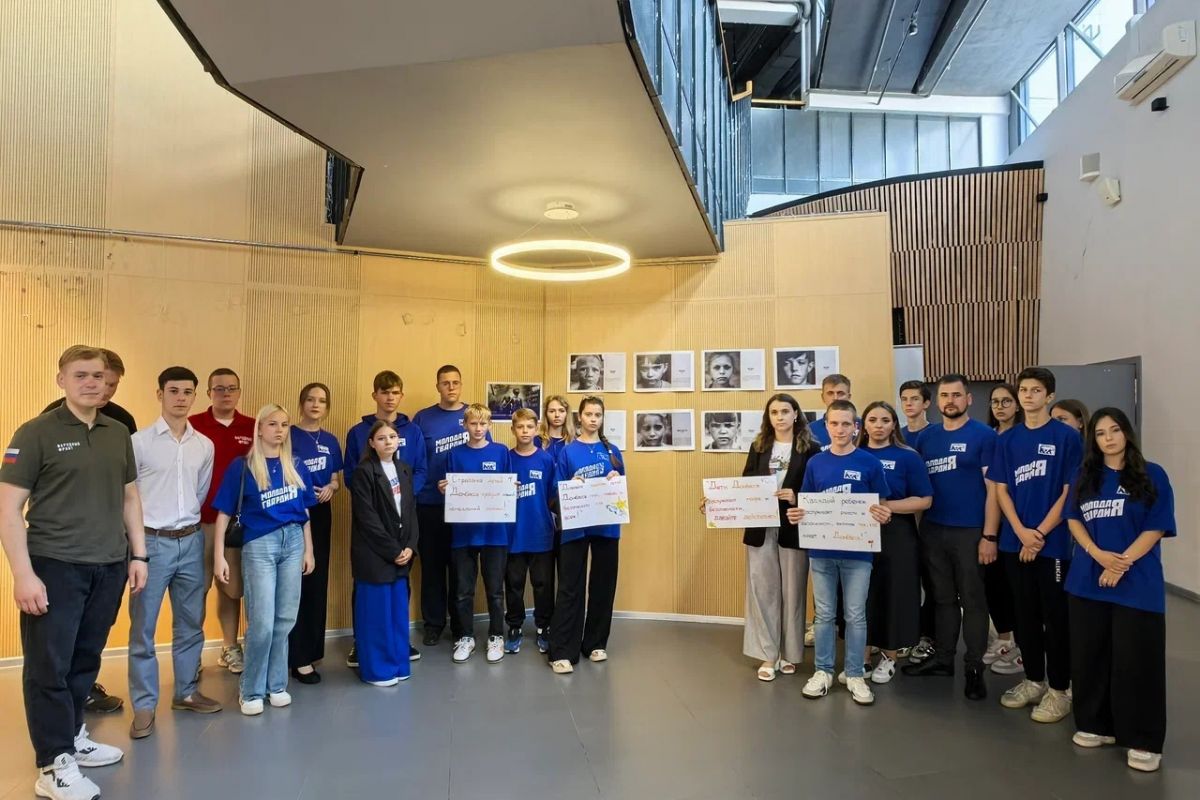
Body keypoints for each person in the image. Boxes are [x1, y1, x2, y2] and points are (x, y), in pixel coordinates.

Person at [0, 345, 148, 800]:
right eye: (80, 375)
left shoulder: (117, 432)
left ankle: (72, 735)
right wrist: (23, 574)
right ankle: (53, 765)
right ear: (61, 380)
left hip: (108, 566)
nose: (91, 383)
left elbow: (130, 498)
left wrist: (139, 555)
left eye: (98, 376)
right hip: (54, 567)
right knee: (49, 666)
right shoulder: (36, 433)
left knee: (85, 659)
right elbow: (7, 508)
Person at [1064, 408, 1174, 773]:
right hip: (1087, 581)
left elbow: (1156, 527)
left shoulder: (1152, 474)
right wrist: (1097, 555)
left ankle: (1143, 738)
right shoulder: (1084, 476)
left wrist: (1120, 563)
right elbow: (1074, 520)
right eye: (1100, 433)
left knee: (1136, 661)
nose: (1108, 438)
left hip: (1136, 584)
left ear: (1127, 433)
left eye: (1114, 430)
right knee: (1090, 656)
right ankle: (1096, 724)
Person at [127, 366, 222, 740]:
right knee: (143, 628)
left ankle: (185, 692)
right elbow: (128, 497)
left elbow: (200, 492)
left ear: (195, 396)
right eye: (173, 391)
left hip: (191, 540)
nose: (180, 398)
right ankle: (144, 705)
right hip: (150, 544)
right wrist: (138, 549)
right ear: (159, 394)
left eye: (187, 392)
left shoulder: (204, 445)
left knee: (190, 622)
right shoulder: (139, 443)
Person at [43, 347, 134, 714]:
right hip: (64, 551)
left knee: (95, 630)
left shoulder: (121, 423)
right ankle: (59, 722)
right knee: (60, 637)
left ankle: (82, 696)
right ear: (65, 380)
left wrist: (136, 551)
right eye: (93, 378)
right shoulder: (49, 421)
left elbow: (129, 489)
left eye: (110, 383)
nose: (102, 389)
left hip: (110, 547)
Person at [212, 404, 316, 716]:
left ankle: (277, 685)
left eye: (284, 424)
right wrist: (219, 556)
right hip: (259, 544)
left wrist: (309, 550)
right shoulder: (242, 466)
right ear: (259, 429)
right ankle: (251, 690)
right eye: (272, 424)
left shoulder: (295, 465)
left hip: (293, 541)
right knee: (262, 622)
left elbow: (305, 512)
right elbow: (223, 514)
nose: (279, 430)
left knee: (284, 619)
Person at [993, 367, 1082, 723]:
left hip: (1052, 544)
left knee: (1055, 619)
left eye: (1035, 390)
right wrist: (1020, 532)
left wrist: (1039, 534)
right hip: (1015, 542)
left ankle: (1059, 690)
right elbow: (1001, 490)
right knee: (1024, 615)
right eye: (1024, 390)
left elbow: (1069, 492)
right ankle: (1033, 679)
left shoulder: (1066, 437)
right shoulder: (1008, 439)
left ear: (1049, 396)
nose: (1028, 396)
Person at [902, 374, 999, 702]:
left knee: (973, 601)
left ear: (968, 399)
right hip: (933, 529)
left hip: (971, 531)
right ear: (937, 401)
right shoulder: (927, 438)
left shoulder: (984, 436)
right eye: (945, 395)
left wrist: (989, 535)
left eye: (957, 395)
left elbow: (994, 491)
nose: (950, 401)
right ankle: (944, 659)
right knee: (942, 599)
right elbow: (917, 486)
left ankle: (974, 668)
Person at [789, 400, 891, 706]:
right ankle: (823, 672)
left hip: (858, 554)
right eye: (834, 423)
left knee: (855, 615)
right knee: (824, 615)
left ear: (856, 427)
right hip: (821, 552)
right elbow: (807, 503)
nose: (840, 429)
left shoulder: (870, 463)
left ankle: (855, 673)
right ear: (826, 425)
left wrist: (883, 514)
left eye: (846, 423)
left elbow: (881, 504)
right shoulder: (816, 463)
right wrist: (798, 514)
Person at [732, 394, 820, 681]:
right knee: (763, 591)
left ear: (796, 414)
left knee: (793, 593)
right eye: (774, 412)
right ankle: (768, 655)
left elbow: (818, 489)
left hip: (793, 527)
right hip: (761, 527)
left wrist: (797, 496)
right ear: (768, 417)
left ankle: (790, 653)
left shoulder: (812, 448)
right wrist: (719, 502)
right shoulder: (758, 446)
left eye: (785, 411)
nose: (780, 416)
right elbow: (746, 483)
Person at [343, 371, 426, 665]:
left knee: (400, 583)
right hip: (373, 522)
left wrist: (403, 498)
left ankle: (398, 640)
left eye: (395, 392)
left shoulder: (413, 431)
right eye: (385, 392)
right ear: (375, 395)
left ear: (401, 395)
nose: (390, 397)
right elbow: (351, 475)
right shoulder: (357, 432)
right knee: (368, 585)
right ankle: (361, 642)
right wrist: (382, 499)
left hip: (404, 519)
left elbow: (420, 470)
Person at [549, 396, 626, 674]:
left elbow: (623, 491)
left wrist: (616, 481)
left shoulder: (612, 451)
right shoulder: (568, 452)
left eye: (598, 415)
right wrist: (571, 485)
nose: (593, 419)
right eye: (589, 414)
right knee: (570, 586)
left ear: (602, 418)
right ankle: (562, 651)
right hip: (576, 526)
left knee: (604, 585)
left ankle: (595, 643)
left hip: (606, 526)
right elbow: (555, 493)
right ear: (579, 417)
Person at [858, 401, 933, 685]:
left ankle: (889, 656)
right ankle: (862, 656)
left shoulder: (907, 457)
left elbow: (924, 499)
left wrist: (887, 506)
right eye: (873, 420)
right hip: (857, 535)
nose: (879, 425)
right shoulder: (853, 454)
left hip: (897, 534)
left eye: (885, 420)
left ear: (894, 425)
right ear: (864, 425)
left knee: (893, 595)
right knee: (861, 597)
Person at [189, 368, 255, 675]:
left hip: (236, 526)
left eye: (231, 388)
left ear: (239, 392)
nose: (226, 394)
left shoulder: (252, 427)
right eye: (219, 389)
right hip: (198, 522)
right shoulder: (193, 425)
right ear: (208, 393)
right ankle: (190, 654)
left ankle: (230, 647)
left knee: (231, 588)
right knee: (195, 589)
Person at [439, 404, 511, 664]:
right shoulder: (454, 454)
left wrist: (511, 487)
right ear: (465, 425)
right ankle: (465, 637)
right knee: (462, 591)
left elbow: (508, 486)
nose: (478, 429)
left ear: (489, 425)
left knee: (495, 591)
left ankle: (496, 636)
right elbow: (452, 488)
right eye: (473, 424)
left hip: (494, 532)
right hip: (464, 533)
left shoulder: (501, 452)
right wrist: (445, 488)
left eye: (483, 424)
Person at [350, 420, 419, 687]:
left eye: (392, 436)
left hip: (402, 553)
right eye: (381, 438)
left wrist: (410, 546)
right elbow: (367, 518)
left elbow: (410, 511)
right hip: (375, 554)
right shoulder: (363, 472)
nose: (388, 441)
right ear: (371, 443)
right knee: (376, 617)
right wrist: (393, 550)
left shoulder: (405, 469)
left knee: (398, 615)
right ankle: (378, 670)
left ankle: (399, 664)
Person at [413, 365, 476, 647]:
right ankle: (434, 624)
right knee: (432, 568)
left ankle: (461, 626)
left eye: (455, 382)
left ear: (461, 385)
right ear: (437, 386)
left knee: (461, 568)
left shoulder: (473, 416)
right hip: (430, 504)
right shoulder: (423, 418)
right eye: (445, 383)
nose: (451, 387)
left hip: (466, 508)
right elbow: (416, 461)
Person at [287, 382, 344, 684]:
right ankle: (293, 655)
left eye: (321, 400)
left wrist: (332, 487)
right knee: (294, 582)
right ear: (301, 403)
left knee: (316, 581)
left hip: (321, 513)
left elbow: (335, 478)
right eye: (310, 399)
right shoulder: (288, 435)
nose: (315, 405)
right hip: (294, 512)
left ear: (327, 407)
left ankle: (309, 653)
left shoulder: (331, 440)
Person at [505, 408, 557, 655]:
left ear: (537, 429)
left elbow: (552, 496)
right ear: (513, 429)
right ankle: (514, 626)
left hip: (541, 533)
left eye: (529, 427)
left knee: (543, 585)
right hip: (513, 535)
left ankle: (544, 627)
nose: (525, 431)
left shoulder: (546, 460)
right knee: (513, 584)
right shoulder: (506, 459)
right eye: (520, 427)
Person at [982, 382, 1025, 676]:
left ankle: (1024, 646)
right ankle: (1004, 638)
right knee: (994, 584)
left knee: (1017, 589)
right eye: (995, 402)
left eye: (1006, 401)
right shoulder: (989, 437)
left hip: (1016, 524)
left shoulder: (1022, 437)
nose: (1000, 406)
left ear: (1017, 404)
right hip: (989, 521)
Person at [807, 374, 853, 448]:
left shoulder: (862, 426)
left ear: (849, 397)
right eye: (830, 393)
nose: (835, 398)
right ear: (823, 397)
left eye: (840, 393)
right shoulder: (810, 430)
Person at [897, 380, 931, 450]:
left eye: (915, 399)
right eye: (904, 399)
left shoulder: (935, 433)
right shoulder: (897, 436)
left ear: (926, 403)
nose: (908, 403)